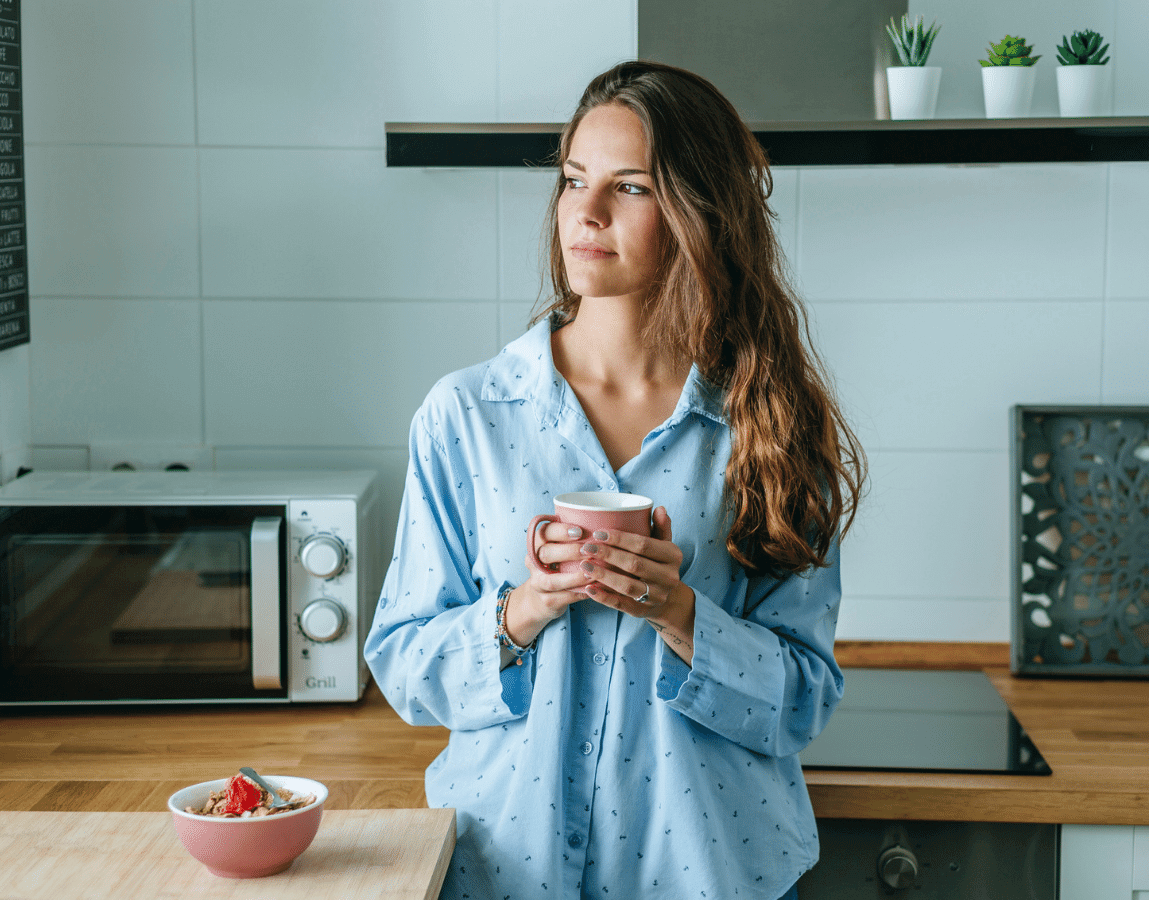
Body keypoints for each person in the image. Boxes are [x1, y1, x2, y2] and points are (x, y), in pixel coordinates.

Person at [365, 60, 865, 900]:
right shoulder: (467, 416)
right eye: (572, 181)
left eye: (628, 187)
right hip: (502, 875)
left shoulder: (769, 426)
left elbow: (804, 699)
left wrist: (682, 614)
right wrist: (523, 611)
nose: (585, 214)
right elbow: (406, 667)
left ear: (698, 210)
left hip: (710, 873)